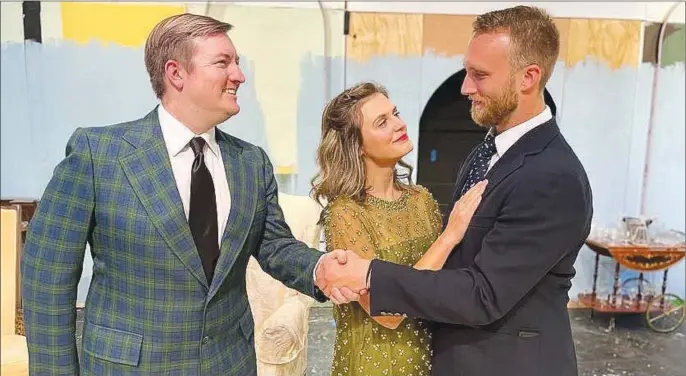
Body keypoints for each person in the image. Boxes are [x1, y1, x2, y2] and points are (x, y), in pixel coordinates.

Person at [20, 13, 355, 376]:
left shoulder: (250, 162)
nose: (239, 75)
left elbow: (274, 245)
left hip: (229, 364)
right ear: (176, 73)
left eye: (238, 63)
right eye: (223, 62)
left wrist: (319, 268)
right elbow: (47, 277)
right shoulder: (98, 154)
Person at [316, 6, 593, 376]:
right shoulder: (486, 151)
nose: (465, 87)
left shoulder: (553, 176)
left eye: (479, 75)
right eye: (467, 71)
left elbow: (484, 294)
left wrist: (370, 276)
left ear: (528, 77)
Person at [311, 81, 487, 376]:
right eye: (382, 122)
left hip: (431, 358)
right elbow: (387, 314)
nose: (399, 124)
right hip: (373, 365)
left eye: (395, 113)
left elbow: (442, 286)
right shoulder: (346, 214)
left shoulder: (421, 200)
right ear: (357, 145)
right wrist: (449, 237)